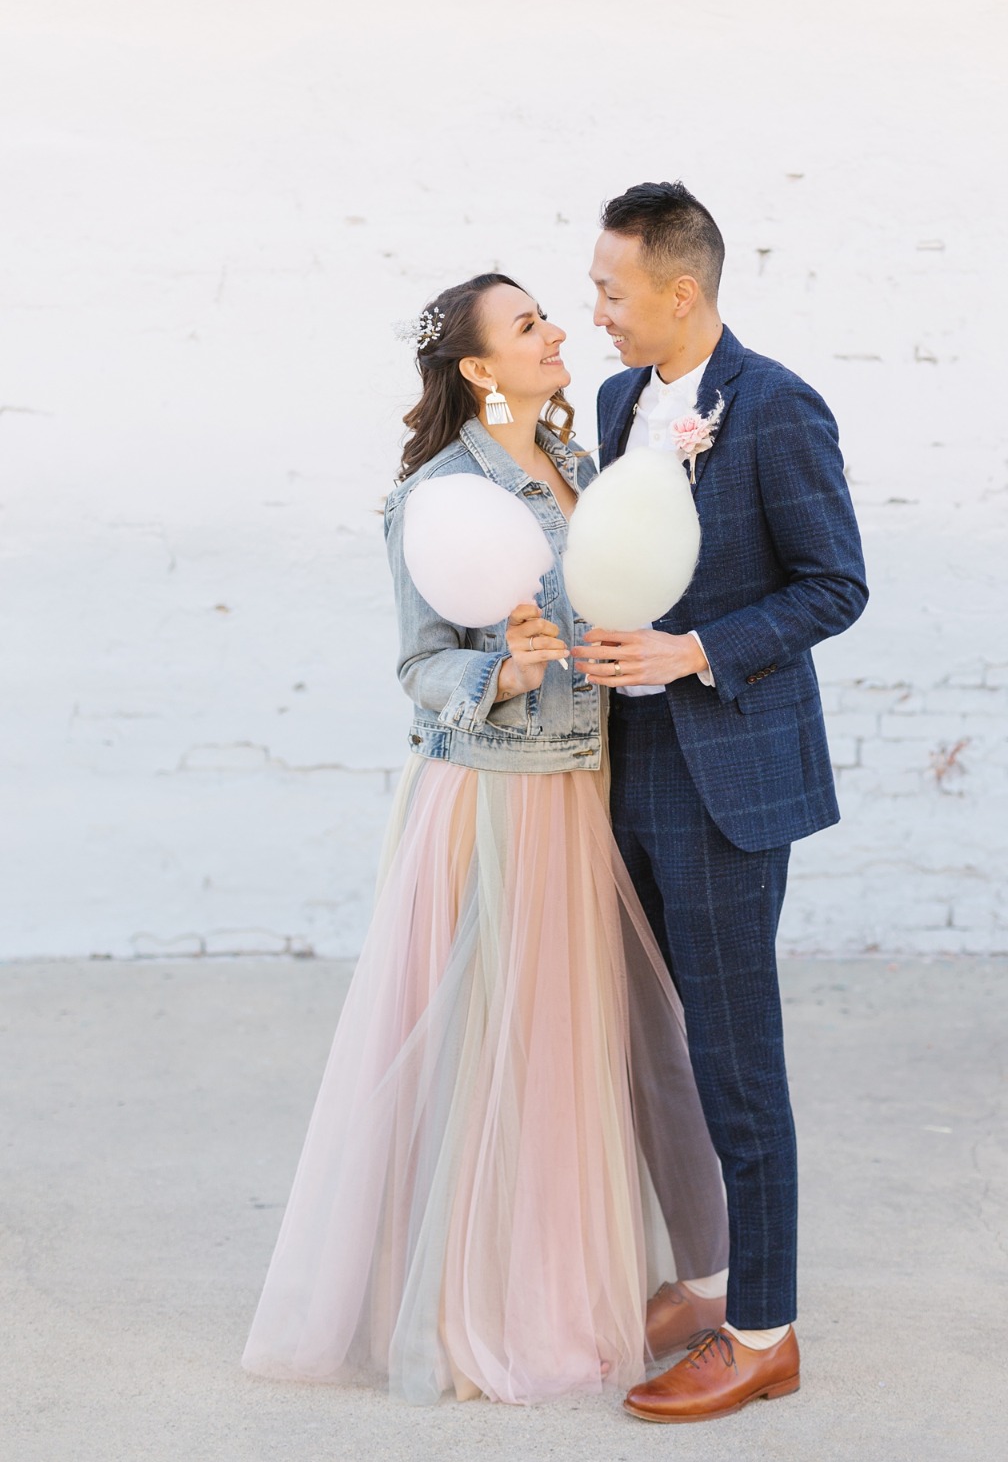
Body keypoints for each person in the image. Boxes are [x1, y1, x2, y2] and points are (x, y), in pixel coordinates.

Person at [242, 271, 727, 1406]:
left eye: (550, 315)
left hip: (583, 792)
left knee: (570, 1056)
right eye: (528, 325)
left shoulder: (592, 467)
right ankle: (474, 1316)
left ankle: (560, 1282)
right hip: (495, 801)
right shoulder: (436, 493)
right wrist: (502, 667)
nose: (558, 329)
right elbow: (419, 669)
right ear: (475, 368)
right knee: (486, 1062)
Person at [573, 182, 868, 1423]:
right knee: (660, 1053)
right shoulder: (615, 401)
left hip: (727, 784)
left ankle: (763, 1333)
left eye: (610, 291)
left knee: (738, 1060)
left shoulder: (779, 406)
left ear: (678, 293)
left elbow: (834, 585)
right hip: (621, 773)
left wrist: (694, 653)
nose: (595, 314)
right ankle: (708, 1281)